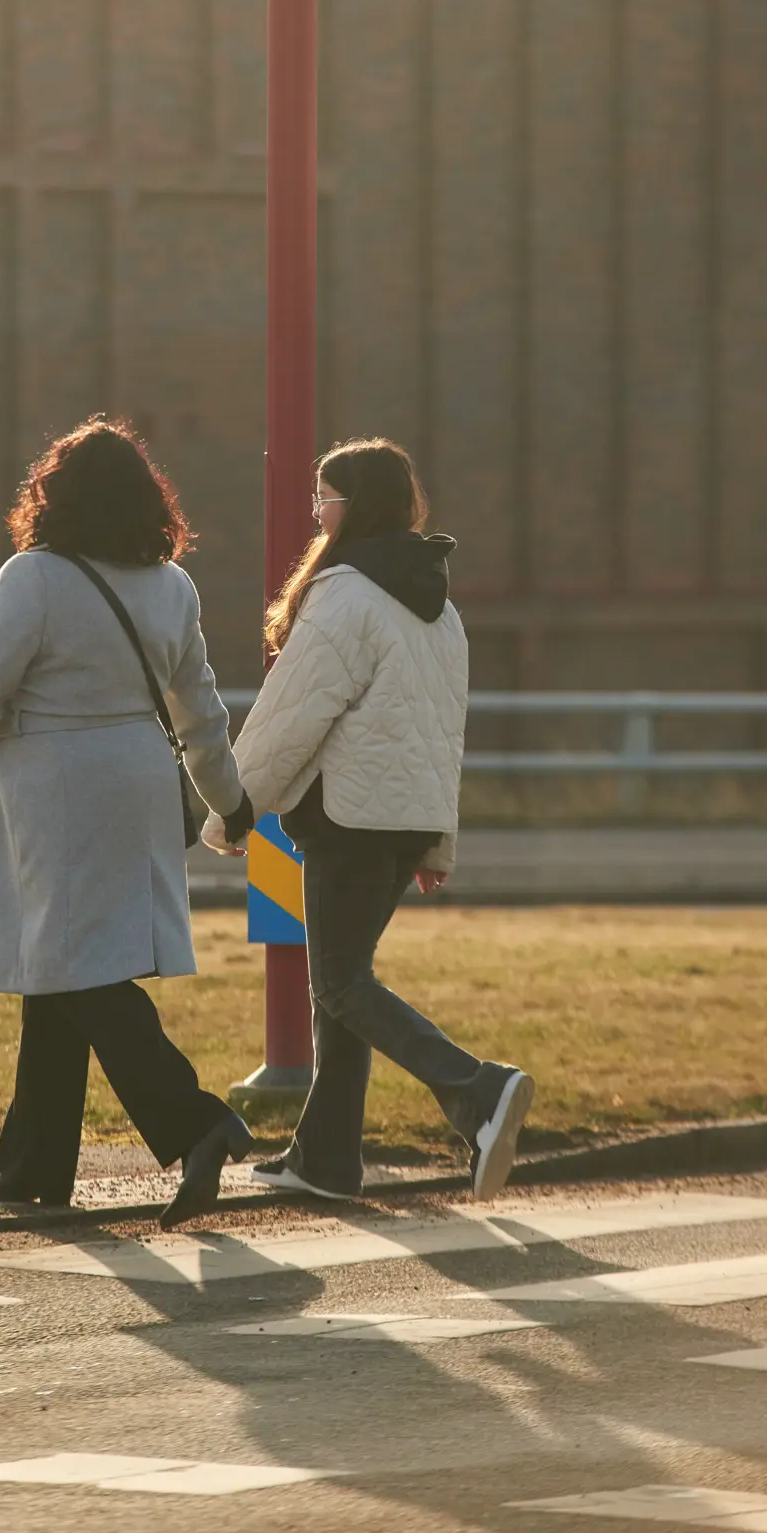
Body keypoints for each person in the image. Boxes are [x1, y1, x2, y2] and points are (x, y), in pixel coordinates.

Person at [0, 417, 255, 1229]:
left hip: (55, 787)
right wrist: (229, 798)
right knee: (62, 962)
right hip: (139, 781)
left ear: (53, 496)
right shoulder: (172, 587)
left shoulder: (33, 579)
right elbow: (201, 712)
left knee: (75, 968)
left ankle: (195, 1121)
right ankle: (33, 1163)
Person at [204, 436, 534, 1203]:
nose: (315, 511)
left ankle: (478, 1090)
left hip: (348, 820)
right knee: (343, 984)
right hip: (403, 821)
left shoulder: (345, 596)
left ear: (352, 506)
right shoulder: (439, 609)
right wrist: (437, 839)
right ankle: (325, 1160)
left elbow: (292, 716)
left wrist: (232, 811)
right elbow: (443, 734)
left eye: (323, 497)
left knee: (342, 984)